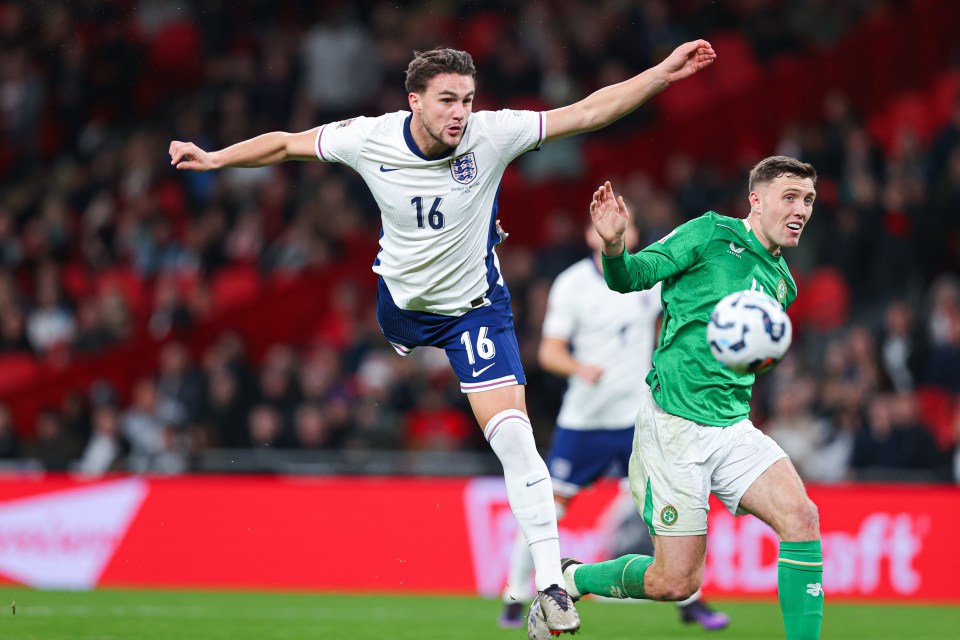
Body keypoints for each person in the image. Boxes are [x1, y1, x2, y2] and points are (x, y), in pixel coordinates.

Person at [169, 39, 716, 635]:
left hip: (475, 311)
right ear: (415, 102)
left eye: (468, 100)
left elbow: (587, 111)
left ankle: (551, 585)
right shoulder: (368, 138)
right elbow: (285, 144)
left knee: (514, 439)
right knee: (408, 333)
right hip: (401, 306)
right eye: (448, 100)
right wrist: (217, 158)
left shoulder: (492, 133)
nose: (461, 112)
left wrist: (662, 72)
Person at [558, 156, 823, 640]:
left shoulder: (785, 284)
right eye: (790, 197)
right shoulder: (708, 234)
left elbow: (747, 361)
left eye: (807, 200)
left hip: (733, 426)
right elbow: (630, 277)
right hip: (674, 428)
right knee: (674, 582)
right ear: (756, 200)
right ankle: (571, 578)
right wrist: (614, 244)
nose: (801, 209)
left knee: (802, 518)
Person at [499, 220, 729, 631]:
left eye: (628, 225)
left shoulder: (645, 280)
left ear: (634, 235)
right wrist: (580, 368)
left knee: (665, 507)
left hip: (637, 420)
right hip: (583, 421)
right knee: (546, 509)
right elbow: (549, 353)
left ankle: (691, 600)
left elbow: (679, 314)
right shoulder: (572, 284)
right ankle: (516, 595)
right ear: (588, 235)